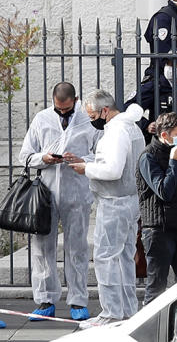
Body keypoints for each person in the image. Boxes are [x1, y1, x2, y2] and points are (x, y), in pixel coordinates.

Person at [18, 82, 101, 322]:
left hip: (77, 190)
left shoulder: (89, 120)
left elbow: (100, 154)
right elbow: (26, 155)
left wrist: (81, 159)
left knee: (77, 247)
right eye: (58, 110)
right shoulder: (42, 119)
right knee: (43, 247)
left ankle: (78, 301)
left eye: (66, 110)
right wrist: (43, 158)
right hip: (46, 193)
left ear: (76, 100)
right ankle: (45, 300)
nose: (62, 114)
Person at [64, 90, 145, 329]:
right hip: (130, 199)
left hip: (114, 201)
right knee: (124, 258)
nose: (92, 120)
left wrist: (85, 169)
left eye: (92, 115)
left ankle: (111, 312)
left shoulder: (116, 131)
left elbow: (112, 170)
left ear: (105, 111)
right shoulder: (131, 127)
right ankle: (127, 309)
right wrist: (86, 160)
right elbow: (114, 162)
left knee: (106, 257)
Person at [136, 113, 177, 305]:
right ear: (164, 135)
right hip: (158, 230)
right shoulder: (148, 157)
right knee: (156, 287)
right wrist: (174, 161)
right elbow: (164, 191)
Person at [126, 53, 177, 169]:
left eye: (175, 64)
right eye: (168, 63)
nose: (169, 67)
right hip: (160, 145)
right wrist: (146, 125)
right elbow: (127, 108)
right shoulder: (155, 86)